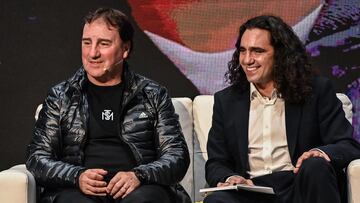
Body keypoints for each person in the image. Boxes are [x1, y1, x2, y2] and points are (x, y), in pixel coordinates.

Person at [26, 7, 190, 203]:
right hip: (79, 191)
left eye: (103, 44)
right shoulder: (61, 96)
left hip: (139, 189)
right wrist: (76, 176)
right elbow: (37, 157)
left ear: (125, 49)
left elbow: (176, 156)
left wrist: (139, 175)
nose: (92, 53)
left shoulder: (153, 95)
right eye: (87, 43)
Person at [204, 15, 360, 203]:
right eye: (242, 51)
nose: (247, 60)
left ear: (280, 54)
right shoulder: (226, 101)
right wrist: (231, 178)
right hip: (253, 191)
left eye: (257, 51)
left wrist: (320, 153)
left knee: (316, 166)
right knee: (217, 200)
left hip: (299, 186)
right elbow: (216, 162)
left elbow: (347, 145)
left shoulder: (315, 91)